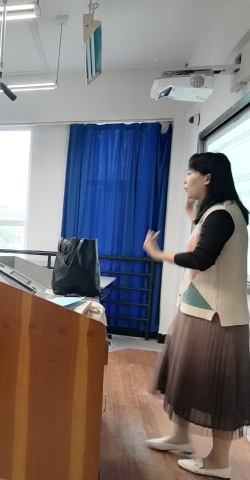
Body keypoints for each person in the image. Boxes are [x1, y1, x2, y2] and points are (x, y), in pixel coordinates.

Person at [143, 152, 250, 479]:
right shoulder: (218, 212)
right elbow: (209, 241)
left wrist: (159, 254)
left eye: (190, 172)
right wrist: (192, 214)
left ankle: (219, 462)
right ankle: (179, 437)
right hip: (200, 310)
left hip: (216, 317)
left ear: (207, 177)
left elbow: (202, 258)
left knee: (216, 386)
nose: (184, 179)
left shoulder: (222, 214)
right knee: (187, 376)